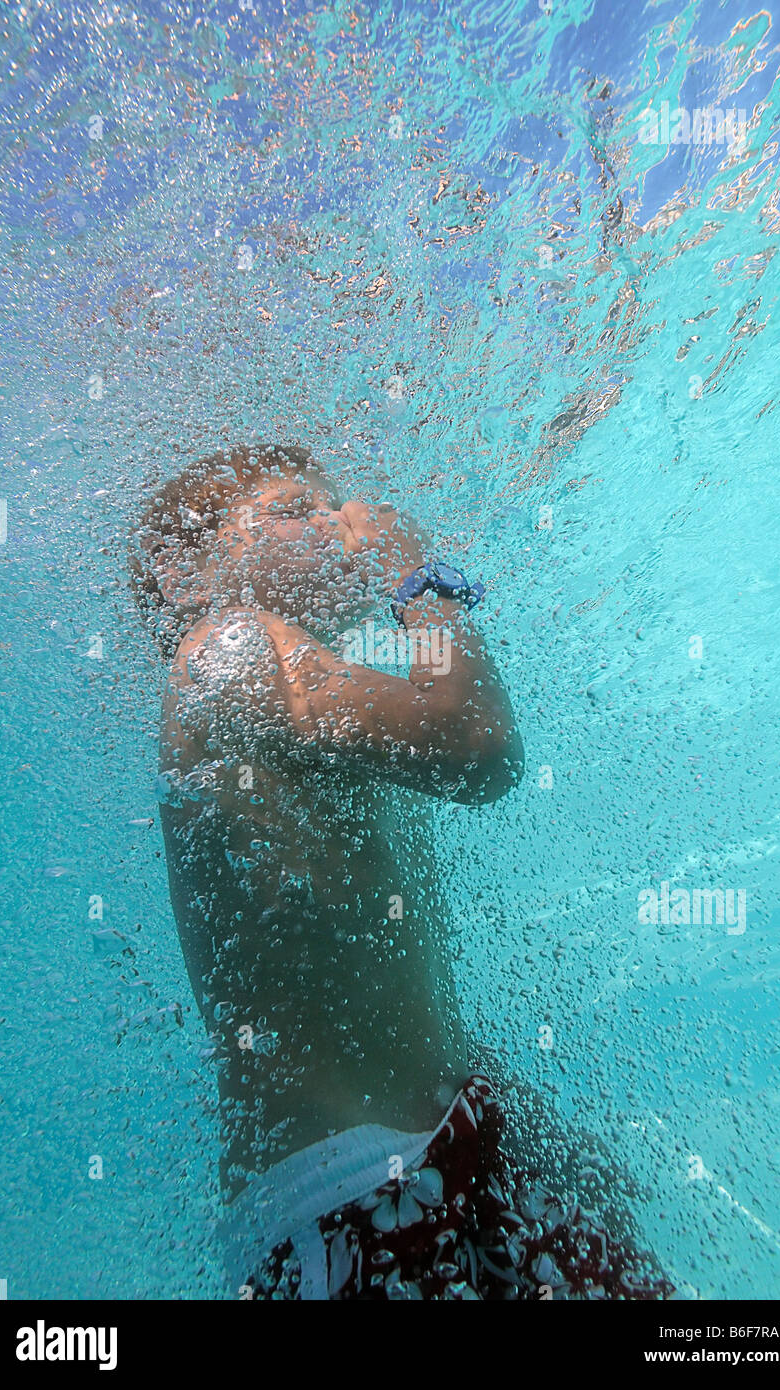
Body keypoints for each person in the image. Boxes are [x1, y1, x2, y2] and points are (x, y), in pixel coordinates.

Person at [131, 442, 673, 1300]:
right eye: (290, 509)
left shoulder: (320, 684)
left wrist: (499, 1112)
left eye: (330, 502)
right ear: (182, 576)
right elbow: (477, 748)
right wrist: (418, 574)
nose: (339, 522)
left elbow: (377, 971)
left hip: (448, 1129)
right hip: (348, 1188)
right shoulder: (223, 648)